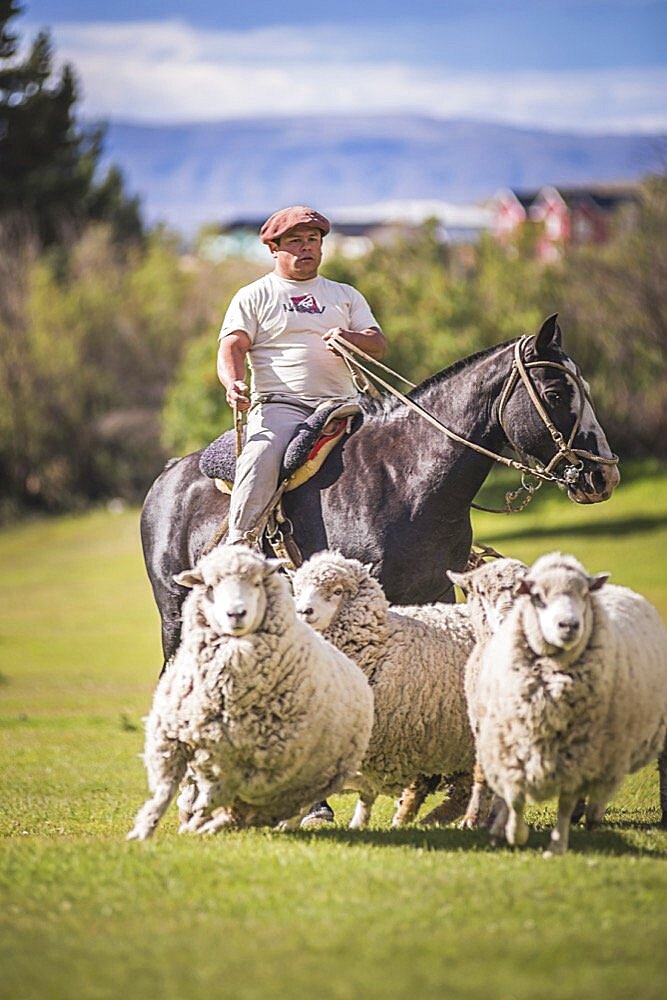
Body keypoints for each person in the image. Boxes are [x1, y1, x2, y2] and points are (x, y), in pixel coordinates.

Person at [217, 205, 386, 545]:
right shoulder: (253, 295)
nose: (306, 247)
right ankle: (238, 547)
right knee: (261, 454)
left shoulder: (345, 294)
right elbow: (232, 346)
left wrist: (350, 339)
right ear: (274, 248)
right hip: (282, 406)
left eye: (313, 239)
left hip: (345, 404)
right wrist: (233, 382)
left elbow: (377, 343)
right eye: (295, 241)